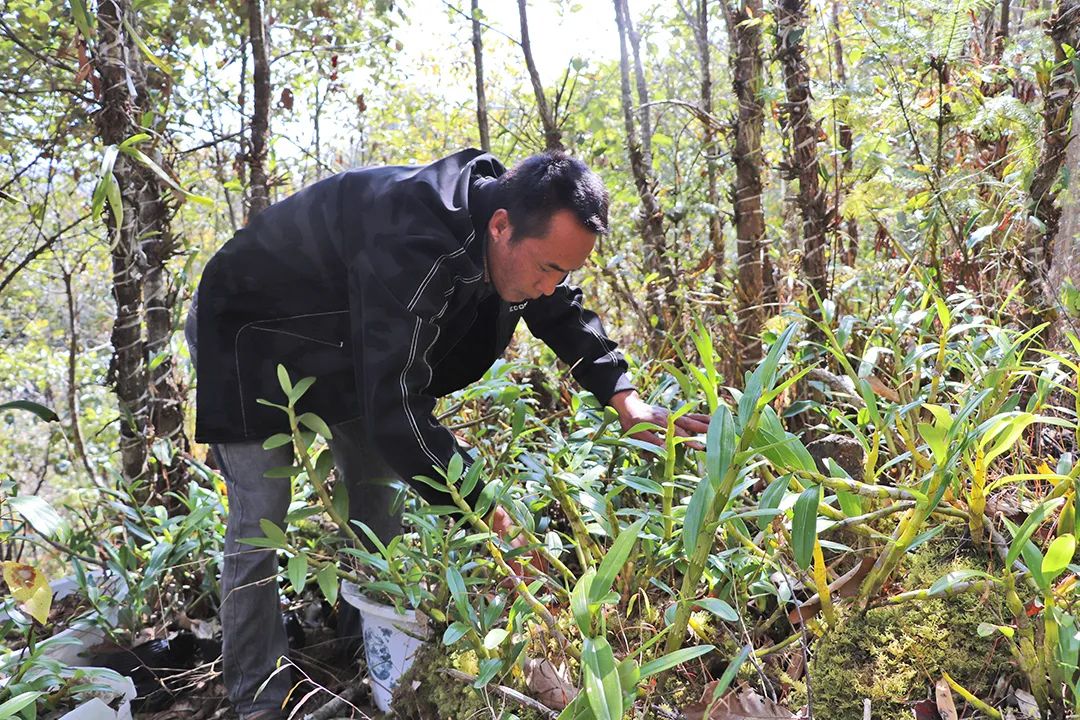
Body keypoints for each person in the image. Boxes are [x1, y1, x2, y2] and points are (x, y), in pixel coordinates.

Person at [185, 149, 708, 719]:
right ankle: (257, 700)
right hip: (250, 333)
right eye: (546, 268)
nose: (548, 286)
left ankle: (362, 652)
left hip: (348, 343)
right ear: (500, 226)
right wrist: (482, 508)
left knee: (378, 496)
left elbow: (557, 308)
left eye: (564, 271)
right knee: (262, 521)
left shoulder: (516, 226)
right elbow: (395, 407)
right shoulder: (413, 240)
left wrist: (623, 396)